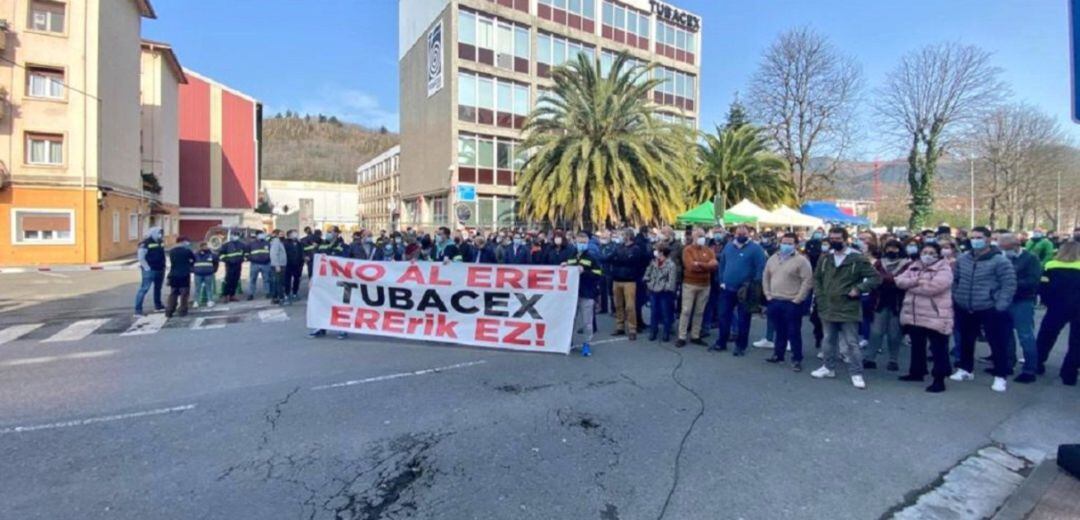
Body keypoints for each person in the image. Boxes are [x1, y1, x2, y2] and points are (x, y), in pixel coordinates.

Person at [811, 227, 881, 389]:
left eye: (837, 238)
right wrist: (821, 297)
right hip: (828, 305)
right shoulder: (826, 258)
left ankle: (856, 373)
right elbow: (817, 279)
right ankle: (828, 368)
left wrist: (858, 289)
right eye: (832, 238)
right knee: (828, 340)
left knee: (851, 343)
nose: (834, 241)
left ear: (845, 239)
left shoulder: (856, 258)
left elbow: (875, 278)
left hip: (848, 306)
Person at [950, 226, 1017, 393]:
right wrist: (957, 296)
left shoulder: (999, 260)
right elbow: (955, 279)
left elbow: (1008, 284)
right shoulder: (963, 259)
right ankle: (966, 369)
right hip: (965, 305)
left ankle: (1000, 376)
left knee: (997, 342)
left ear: (988, 239)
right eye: (972, 237)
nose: (975, 240)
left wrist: (1000, 305)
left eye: (979, 237)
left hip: (989, 307)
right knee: (966, 339)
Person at [895, 242, 954, 392]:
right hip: (914, 314)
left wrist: (911, 285)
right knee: (917, 345)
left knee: (938, 348)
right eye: (925, 252)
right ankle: (917, 372)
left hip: (935, 314)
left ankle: (939, 379)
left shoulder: (944, 268)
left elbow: (933, 288)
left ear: (938, 254)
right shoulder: (914, 265)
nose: (927, 255)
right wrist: (916, 281)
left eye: (931, 252)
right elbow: (899, 281)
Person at [712, 225, 767, 355]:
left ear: (749, 234)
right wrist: (721, 281)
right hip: (727, 288)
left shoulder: (756, 249)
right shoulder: (729, 246)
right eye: (738, 233)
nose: (741, 235)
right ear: (734, 234)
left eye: (744, 233)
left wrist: (754, 285)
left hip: (745, 290)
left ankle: (741, 346)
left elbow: (760, 268)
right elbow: (722, 264)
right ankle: (721, 342)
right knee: (723, 316)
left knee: (744, 318)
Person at [762, 233, 813, 371]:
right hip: (774, 300)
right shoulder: (773, 258)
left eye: (790, 243)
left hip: (792, 302)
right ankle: (778, 355)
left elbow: (807, 281)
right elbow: (765, 276)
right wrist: (767, 295)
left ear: (796, 244)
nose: (786, 245)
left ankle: (797, 359)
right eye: (784, 242)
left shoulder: (802, 261)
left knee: (794, 331)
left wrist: (798, 299)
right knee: (779, 330)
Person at [1035, 241, 1080, 386]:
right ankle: (1069, 374)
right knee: (1076, 342)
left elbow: (1043, 287)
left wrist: (1048, 303)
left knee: (1046, 336)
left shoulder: (1051, 265)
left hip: (1056, 307)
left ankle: (1037, 364)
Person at [1000, 234, 1042, 383]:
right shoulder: (1002, 257)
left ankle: (1030, 369)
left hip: (1022, 301)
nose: (1003, 251)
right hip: (1004, 300)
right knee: (1005, 334)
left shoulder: (1031, 259)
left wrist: (1011, 282)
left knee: (1025, 335)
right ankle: (1007, 364)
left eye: (1006, 248)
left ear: (1016, 245)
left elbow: (1033, 280)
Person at [864, 239, 911, 371]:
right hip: (880, 301)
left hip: (898, 302)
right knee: (875, 332)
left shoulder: (907, 264)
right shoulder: (880, 262)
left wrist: (885, 278)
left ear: (900, 249)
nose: (891, 250)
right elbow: (873, 277)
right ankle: (869, 358)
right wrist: (889, 279)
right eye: (889, 248)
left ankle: (893, 360)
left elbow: (902, 280)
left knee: (895, 333)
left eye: (895, 248)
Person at [675, 228, 717, 347]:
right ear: (694, 237)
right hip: (690, 284)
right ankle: (681, 336)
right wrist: (707, 265)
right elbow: (690, 267)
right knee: (686, 310)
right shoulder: (687, 250)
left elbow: (714, 265)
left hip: (705, 285)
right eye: (699, 236)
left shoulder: (709, 250)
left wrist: (699, 264)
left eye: (703, 236)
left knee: (699, 311)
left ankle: (695, 335)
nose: (702, 238)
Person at [567, 232, 604, 354]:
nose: (581, 244)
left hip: (587, 293)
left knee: (587, 321)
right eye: (579, 242)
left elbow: (598, 274)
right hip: (572, 294)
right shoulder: (571, 256)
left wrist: (585, 272)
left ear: (587, 243)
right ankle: (568, 341)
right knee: (570, 320)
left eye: (583, 242)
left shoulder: (591, 257)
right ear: (575, 242)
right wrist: (565, 266)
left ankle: (586, 343)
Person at [609, 229, 645, 340]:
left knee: (630, 306)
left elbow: (630, 261)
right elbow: (611, 258)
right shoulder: (619, 247)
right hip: (617, 279)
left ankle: (632, 328)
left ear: (628, 236)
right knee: (618, 305)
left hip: (629, 280)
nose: (621, 236)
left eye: (623, 234)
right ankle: (620, 326)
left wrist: (618, 259)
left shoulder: (636, 249)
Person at [644, 243, 678, 342]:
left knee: (665, 312)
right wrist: (648, 283)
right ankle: (653, 331)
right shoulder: (653, 262)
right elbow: (647, 273)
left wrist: (665, 287)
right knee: (654, 311)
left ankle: (666, 332)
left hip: (664, 292)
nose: (655, 252)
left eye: (656, 250)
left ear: (662, 252)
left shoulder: (671, 264)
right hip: (653, 290)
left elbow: (671, 280)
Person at [134, 226, 166, 316]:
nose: (161, 235)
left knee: (158, 288)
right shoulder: (145, 243)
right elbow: (141, 257)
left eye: (161, 233)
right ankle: (138, 310)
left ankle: (158, 305)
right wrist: (147, 268)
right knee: (144, 289)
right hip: (150, 270)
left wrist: (164, 266)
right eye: (159, 232)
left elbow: (162, 254)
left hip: (160, 268)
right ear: (153, 233)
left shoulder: (160, 242)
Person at [165, 237, 195, 318]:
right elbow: (194, 260)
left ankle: (169, 310)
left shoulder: (172, 251)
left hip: (173, 274)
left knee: (173, 293)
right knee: (184, 293)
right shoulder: (187, 251)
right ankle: (182, 310)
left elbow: (172, 263)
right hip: (184, 274)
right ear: (182, 242)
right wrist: (190, 266)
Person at [218, 232, 246, 302]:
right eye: (234, 235)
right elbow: (221, 254)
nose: (235, 237)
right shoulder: (226, 245)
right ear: (231, 236)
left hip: (238, 265)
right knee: (228, 280)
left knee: (235, 280)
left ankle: (232, 295)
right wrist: (226, 260)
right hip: (229, 265)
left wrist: (242, 259)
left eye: (236, 235)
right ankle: (225, 295)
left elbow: (245, 253)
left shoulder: (242, 245)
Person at [246, 231, 272, 301]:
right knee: (252, 279)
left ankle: (268, 293)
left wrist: (268, 259)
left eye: (262, 234)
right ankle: (251, 294)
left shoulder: (267, 243)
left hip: (266, 264)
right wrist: (250, 258)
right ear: (256, 236)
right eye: (260, 234)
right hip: (255, 264)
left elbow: (271, 253)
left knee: (266, 279)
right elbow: (246, 253)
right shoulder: (251, 244)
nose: (262, 236)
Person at [192, 242, 218, 308]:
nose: (205, 247)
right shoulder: (195, 254)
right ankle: (196, 302)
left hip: (208, 273)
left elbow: (216, 262)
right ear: (200, 247)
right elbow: (191, 263)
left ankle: (210, 301)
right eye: (203, 246)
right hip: (198, 274)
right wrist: (193, 270)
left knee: (209, 288)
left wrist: (214, 270)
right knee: (197, 288)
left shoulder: (211, 254)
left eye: (206, 246)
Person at [283, 230, 304, 303]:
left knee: (297, 279)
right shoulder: (285, 243)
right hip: (288, 264)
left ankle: (295, 293)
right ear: (290, 235)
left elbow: (302, 253)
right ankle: (286, 293)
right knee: (287, 280)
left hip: (298, 265)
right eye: (294, 234)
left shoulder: (299, 243)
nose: (296, 235)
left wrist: (302, 262)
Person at [269, 229, 287, 305]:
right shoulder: (276, 242)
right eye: (280, 234)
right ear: (276, 235)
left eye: (283, 234)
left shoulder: (280, 242)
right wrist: (277, 265)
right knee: (278, 283)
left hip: (281, 265)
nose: (282, 235)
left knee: (278, 282)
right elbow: (273, 254)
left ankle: (276, 298)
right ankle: (280, 298)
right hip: (278, 265)